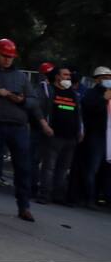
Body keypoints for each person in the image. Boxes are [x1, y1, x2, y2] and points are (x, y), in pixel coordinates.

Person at [0, 39, 50, 222]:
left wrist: (22, 101)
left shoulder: (20, 77)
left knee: (23, 167)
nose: (7, 60)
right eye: (4, 56)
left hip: (18, 126)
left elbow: (33, 101)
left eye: (10, 57)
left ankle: (24, 206)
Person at [36, 66, 82, 205]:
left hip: (70, 137)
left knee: (63, 168)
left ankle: (58, 195)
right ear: (57, 76)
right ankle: (44, 194)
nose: (68, 77)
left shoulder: (73, 94)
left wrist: (80, 130)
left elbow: (78, 113)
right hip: (54, 135)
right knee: (49, 167)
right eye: (65, 75)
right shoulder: (50, 91)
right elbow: (40, 109)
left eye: (69, 75)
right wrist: (45, 125)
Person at [80, 66, 111, 209]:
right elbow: (89, 110)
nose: (108, 80)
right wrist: (103, 99)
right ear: (97, 79)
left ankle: (103, 197)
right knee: (92, 167)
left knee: (106, 169)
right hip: (96, 135)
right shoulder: (91, 93)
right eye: (105, 78)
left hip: (108, 137)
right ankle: (89, 198)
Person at [30, 61, 55, 197]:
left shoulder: (44, 88)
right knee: (36, 159)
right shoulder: (42, 89)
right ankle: (33, 187)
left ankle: (34, 186)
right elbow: (37, 108)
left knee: (37, 159)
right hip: (40, 128)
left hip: (42, 127)